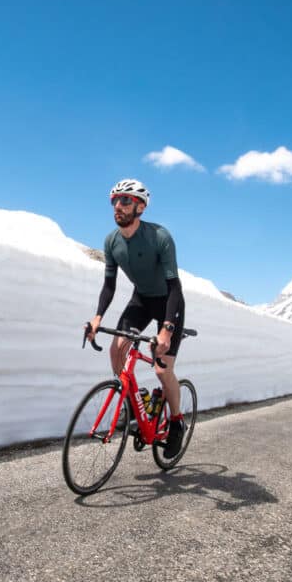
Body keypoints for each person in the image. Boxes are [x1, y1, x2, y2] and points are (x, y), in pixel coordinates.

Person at [86, 179, 187, 459]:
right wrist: (97, 318)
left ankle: (176, 421)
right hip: (141, 300)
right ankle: (134, 402)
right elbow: (109, 286)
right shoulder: (112, 241)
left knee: (161, 370)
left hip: (168, 303)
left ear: (140, 206)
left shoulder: (160, 237)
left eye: (125, 200)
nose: (118, 206)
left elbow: (174, 288)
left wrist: (166, 330)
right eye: (114, 201)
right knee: (117, 349)